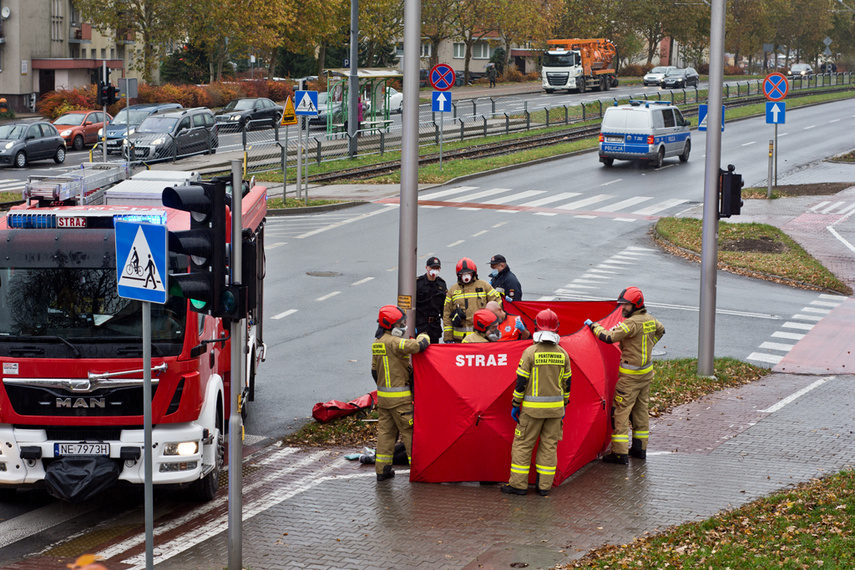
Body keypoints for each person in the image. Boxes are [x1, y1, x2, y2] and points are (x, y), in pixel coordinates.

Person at [585, 287, 665, 464]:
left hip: (630, 378)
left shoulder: (631, 324)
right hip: (646, 374)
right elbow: (661, 330)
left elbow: (608, 337)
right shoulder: (650, 319)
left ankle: (619, 454)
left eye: (626, 305)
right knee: (640, 412)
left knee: (620, 413)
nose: (622, 309)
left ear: (636, 304)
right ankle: (639, 449)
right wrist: (648, 345)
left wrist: (593, 326)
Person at [502, 309, 571, 497]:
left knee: (523, 445)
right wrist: (564, 405)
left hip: (532, 411)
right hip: (555, 411)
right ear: (557, 329)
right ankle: (544, 487)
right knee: (549, 447)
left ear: (536, 327)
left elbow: (521, 382)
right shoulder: (563, 354)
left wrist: (516, 404)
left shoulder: (530, 352)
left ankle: (518, 485)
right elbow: (567, 383)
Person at [371, 305, 430, 481]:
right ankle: (418, 471)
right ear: (390, 325)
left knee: (386, 435)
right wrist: (424, 335)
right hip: (401, 401)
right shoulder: (395, 342)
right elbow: (419, 346)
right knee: (410, 434)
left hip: (383, 399)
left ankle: (382, 470)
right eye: (400, 323)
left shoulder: (377, 343)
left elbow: (374, 371)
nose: (403, 326)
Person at [443, 257, 502, 343]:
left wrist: (490, 323)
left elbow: (497, 304)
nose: (466, 276)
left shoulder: (484, 286)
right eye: (463, 274)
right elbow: (446, 314)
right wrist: (448, 338)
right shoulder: (453, 290)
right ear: (459, 275)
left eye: (468, 273)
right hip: (459, 340)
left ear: (474, 273)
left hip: (481, 338)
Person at [415, 257, 447, 344]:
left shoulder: (441, 284)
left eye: (437, 268)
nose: (434, 270)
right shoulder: (418, 283)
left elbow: (444, 307)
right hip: (420, 325)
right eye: (432, 268)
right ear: (427, 268)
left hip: (434, 326)